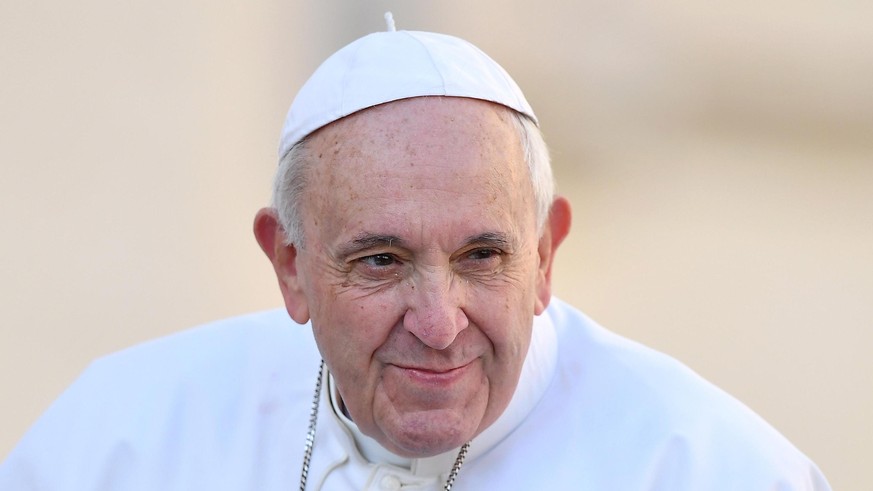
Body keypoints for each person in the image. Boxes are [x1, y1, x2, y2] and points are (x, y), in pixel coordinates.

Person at [0, 15, 830, 491]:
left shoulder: (706, 467)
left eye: (481, 256)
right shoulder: (123, 440)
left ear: (544, 257)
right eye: (380, 260)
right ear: (289, 264)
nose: (437, 324)